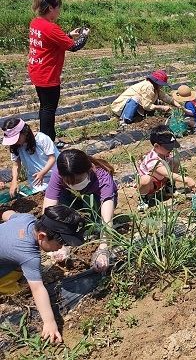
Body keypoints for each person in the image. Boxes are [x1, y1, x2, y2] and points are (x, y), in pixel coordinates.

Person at [0, 205, 85, 343]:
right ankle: (5, 288)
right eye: (61, 242)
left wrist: (3, 211)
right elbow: (38, 289)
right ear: (42, 236)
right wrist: (49, 322)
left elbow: (8, 214)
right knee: (26, 284)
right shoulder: (28, 255)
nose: (62, 247)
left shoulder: (28, 219)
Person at [28, 0, 90, 147]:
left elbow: (51, 40)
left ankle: (46, 138)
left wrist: (68, 34)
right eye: (57, 8)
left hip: (36, 70)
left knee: (45, 107)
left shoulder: (35, 22)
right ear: (50, 8)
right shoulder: (51, 28)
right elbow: (74, 47)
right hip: (47, 74)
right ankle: (48, 142)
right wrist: (84, 35)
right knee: (49, 109)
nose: (59, 11)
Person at [43, 149, 118, 272]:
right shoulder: (59, 174)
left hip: (97, 201)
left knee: (97, 226)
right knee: (60, 204)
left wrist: (104, 248)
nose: (73, 184)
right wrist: (59, 242)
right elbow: (48, 210)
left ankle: (91, 221)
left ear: (88, 170)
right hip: (74, 198)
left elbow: (107, 218)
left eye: (77, 180)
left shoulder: (102, 176)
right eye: (68, 181)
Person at [137, 125, 196, 207]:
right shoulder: (152, 160)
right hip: (151, 186)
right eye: (167, 147)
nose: (171, 149)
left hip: (161, 180)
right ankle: (143, 198)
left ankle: (169, 187)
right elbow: (168, 174)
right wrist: (186, 180)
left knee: (175, 162)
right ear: (156, 146)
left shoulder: (163, 154)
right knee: (145, 179)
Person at [1, 118, 59, 196]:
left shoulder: (41, 139)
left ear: (25, 132)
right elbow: (16, 165)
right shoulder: (16, 146)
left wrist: (42, 173)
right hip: (37, 179)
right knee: (40, 196)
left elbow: (52, 158)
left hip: (55, 173)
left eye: (17, 139)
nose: (15, 142)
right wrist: (14, 181)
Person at [110, 70, 181, 131]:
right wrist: (162, 107)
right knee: (135, 99)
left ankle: (141, 117)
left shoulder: (155, 88)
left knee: (154, 99)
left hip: (135, 107)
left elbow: (167, 98)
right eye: (161, 84)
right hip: (121, 107)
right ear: (156, 82)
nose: (162, 86)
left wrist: (180, 106)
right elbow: (146, 106)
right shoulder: (148, 86)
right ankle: (123, 121)